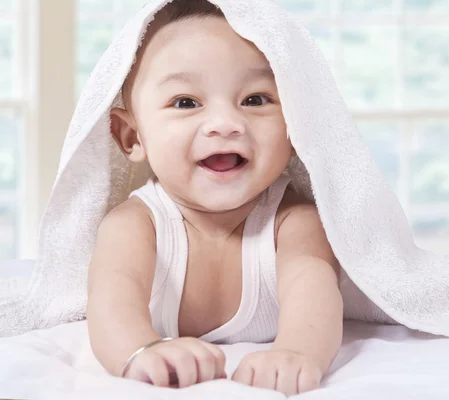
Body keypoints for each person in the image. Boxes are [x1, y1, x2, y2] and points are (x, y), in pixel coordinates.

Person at [86, 0, 343, 396]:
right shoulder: (135, 225)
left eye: (255, 99)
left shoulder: (293, 224)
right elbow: (110, 304)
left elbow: (315, 299)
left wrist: (295, 353)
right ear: (132, 137)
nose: (226, 124)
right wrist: (142, 350)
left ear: (296, 127)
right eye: (186, 102)